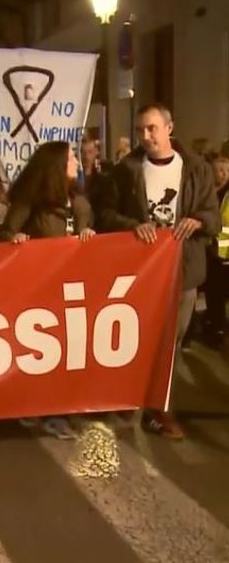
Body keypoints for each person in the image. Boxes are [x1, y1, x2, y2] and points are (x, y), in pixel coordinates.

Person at [95, 103, 219, 439]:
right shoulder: (126, 170)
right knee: (135, 340)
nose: (146, 136)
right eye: (140, 130)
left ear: (169, 128)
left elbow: (213, 215)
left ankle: (160, 410)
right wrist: (133, 225)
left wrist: (199, 221)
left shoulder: (195, 169)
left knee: (171, 345)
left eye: (152, 128)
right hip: (142, 272)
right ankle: (128, 396)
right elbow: (105, 215)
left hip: (183, 271)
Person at [0, 141, 96, 440]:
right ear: (55, 166)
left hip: (74, 288)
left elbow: (90, 232)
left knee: (69, 352)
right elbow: (4, 234)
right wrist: (17, 239)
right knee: (42, 351)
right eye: (70, 158)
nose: (77, 163)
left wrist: (89, 235)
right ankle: (36, 407)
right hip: (39, 290)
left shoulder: (79, 201)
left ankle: (59, 409)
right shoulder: (31, 202)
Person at [204, 155, 229, 346]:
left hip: (223, 252)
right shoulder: (208, 192)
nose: (223, 174)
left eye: (226, 170)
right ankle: (212, 322)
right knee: (212, 293)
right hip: (209, 249)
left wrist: (222, 251)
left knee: (219, 293)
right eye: (219, 170)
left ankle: (218, 329)